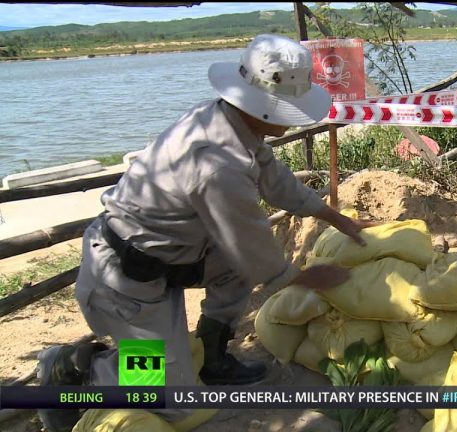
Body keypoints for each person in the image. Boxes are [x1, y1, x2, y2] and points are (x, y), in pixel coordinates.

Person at [36, 34, 370, 431]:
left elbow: (276, 180)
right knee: (170, 400)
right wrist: (304, 278)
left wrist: (338, 219)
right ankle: (73, 371)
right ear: (262, 108)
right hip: (125, 284)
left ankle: (214, 354)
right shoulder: (218, 164)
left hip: (172, 260)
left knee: (234, 269)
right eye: (289, 108)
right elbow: (249, 241)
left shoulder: (231, 124)